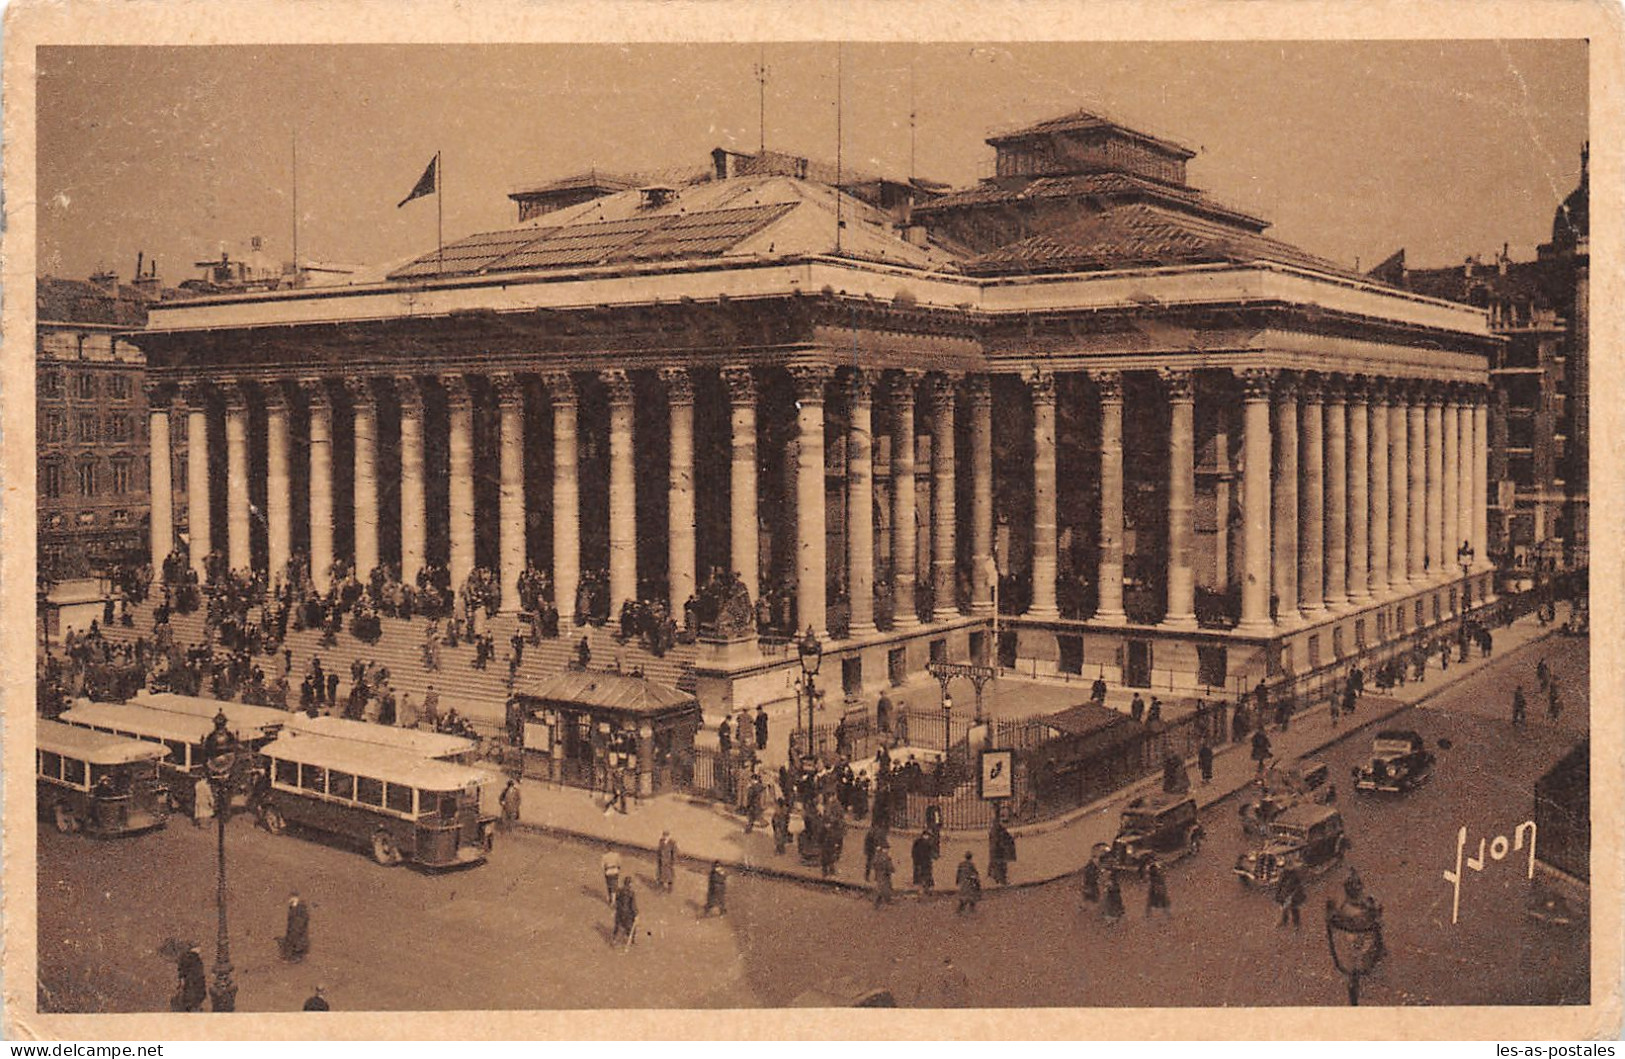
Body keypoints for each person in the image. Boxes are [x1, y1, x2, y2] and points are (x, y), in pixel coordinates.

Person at [174, 943, 207, 1012]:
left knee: (190, 996)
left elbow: (182, 970)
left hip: (192, 983)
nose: (200, 949)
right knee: (193, 998)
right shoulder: (195, 959)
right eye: (198, 948)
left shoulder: (187, 958)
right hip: (195, 982)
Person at [281, 891, 310, 962]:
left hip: (298, 929)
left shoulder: (301, 907)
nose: (289, 900)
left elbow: (304, 918)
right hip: (292, 928)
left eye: (291, 898)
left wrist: (299, 926)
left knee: (298, 942)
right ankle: (291, 957)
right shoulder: (292, 907)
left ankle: (298, 957)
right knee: (291, 941)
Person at [611, 878, 638, 950]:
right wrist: (636, 914)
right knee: (630, 926)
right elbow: (633, 905)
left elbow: (617, 900)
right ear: (629, 884)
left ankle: (615, 941)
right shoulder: (631, 893)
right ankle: (631, 941)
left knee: (618, 926)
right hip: (628, 913)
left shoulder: (619, 891)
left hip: (619, 911)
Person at [988, 818, 1015, 885]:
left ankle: (995, 876)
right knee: (1001, 867)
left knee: (997, 865)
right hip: (999, 852)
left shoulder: (996, 830)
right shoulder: (998, 831)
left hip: (996, 852)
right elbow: (999, 841)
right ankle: (1002, 881)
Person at [872, 839, 896, 907]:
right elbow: (877, 864)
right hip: (882, 875)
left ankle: (884, 900)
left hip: (885, 875)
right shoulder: (881, 857)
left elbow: (889, 865)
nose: (887, 850)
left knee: (885, 888)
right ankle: (883, 901)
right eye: (885, 849)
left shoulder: (884, 857)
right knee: (883, 888)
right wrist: (891, 869)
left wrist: (892, 869)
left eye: (887, 849)